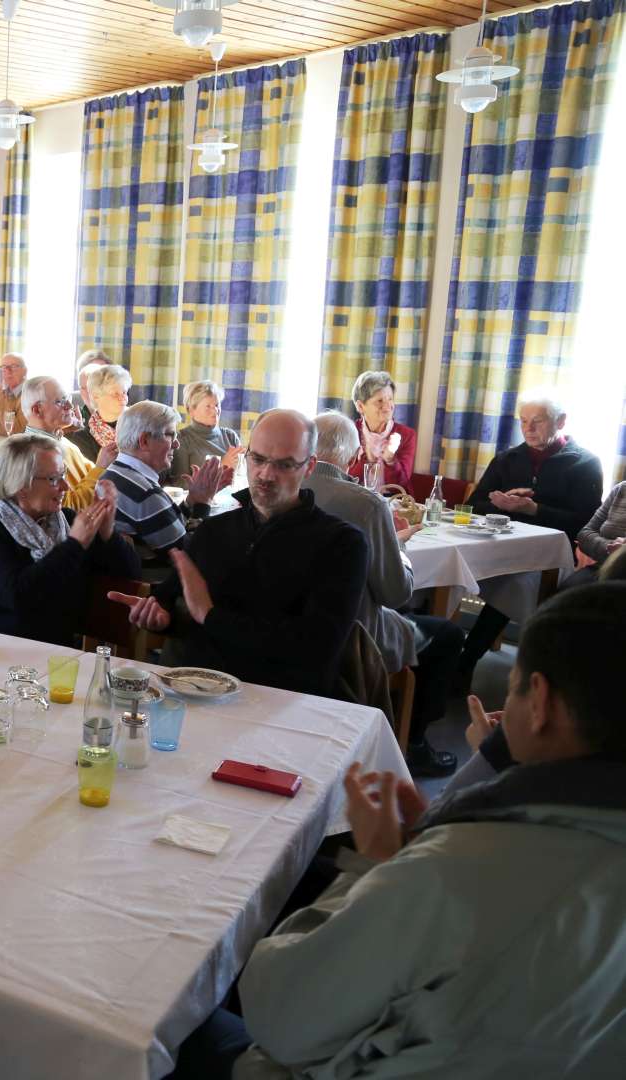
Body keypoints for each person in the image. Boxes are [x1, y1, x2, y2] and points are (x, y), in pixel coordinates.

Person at [178, 583, 626, 1080]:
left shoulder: (452, 871)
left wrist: (373, 869)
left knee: (170, 1015)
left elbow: (277, 1020)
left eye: (514, 683)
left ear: (539, 701)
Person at [112, 409, 369, 697]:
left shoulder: (341, 543)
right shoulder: (214, 531)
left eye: (284, 465)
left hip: (284, 701)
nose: (266, 475)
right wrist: (161, 617)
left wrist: (211, 616)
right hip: (198, 694)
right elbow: (172, 604)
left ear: (309, 467)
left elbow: (314, 648)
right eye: (258, 459)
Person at [307, 412, 465, 777]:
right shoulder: (365, 504)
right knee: (448, 634)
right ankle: (414, 743)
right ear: (351, 459)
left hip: (297, 620)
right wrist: (401, 548)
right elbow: (395, 593)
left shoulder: (284, 487)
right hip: (357, 634)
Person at [458, 395, 604, 684]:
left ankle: (466, 661)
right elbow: (473, 506)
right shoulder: (507, 458)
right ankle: (434, 652)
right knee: (452, 572)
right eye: (523, 422)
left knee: (513, 584)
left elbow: (585, 523)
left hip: (548, 559)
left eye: (537, 421)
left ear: (561, 422)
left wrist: (535, 509)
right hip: (494, 548)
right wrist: (501, 505)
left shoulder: (585, 463)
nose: (528, 429)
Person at [0, 433, 137, 646]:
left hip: (51, 650)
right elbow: (18, 596)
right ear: (21, 486)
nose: (65, 487)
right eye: (54, 479)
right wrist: (74, 545)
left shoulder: (67, 520)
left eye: (64, 475)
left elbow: (129, 575)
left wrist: (107, 532)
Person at [101, 401, 229, 574]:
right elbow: (193, 557)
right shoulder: (145, 493)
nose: (176, 444)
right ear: (144, 441)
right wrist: (203, 504)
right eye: (170, 435)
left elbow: (166, 525)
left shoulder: (113, 473)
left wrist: (192, 501)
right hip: (155, 591)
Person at [19, 375, 105, 512]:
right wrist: (101, 467)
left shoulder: (60, 439)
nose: (70, 406)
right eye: (60, 401)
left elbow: (89, 475)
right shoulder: (39, 455)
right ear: (37, 410)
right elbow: (68, 510)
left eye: (68, 399)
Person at [346, 369, 416, 488]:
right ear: (360, 406)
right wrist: (367, 460)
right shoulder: (348, 432)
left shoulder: (407, 435)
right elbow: (343, 480)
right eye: (379, 401)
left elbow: (402, 485)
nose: (388, 406)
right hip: (354, 500)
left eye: (390, 399)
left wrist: (390, 460)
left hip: (393, 503)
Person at [167, 379, 242, 485]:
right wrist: (221, 467)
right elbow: (181, 484)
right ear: (191, 411)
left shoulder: (230, 436)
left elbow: (242, 476)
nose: (215, 410)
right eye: (208, 406)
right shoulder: (181, 439)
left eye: (217, 405)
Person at [68, 362, 131, 463]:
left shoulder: (141, 422)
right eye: (115, 394)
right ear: (96, 396)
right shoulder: (80, 439)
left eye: (124, 392)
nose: (122, 398)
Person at [572, 479, 626, 586]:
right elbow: (584, 534)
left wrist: (622, 552)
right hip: (604, 567)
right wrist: (608, 547)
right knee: (565, 593)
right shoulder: (621, 489)